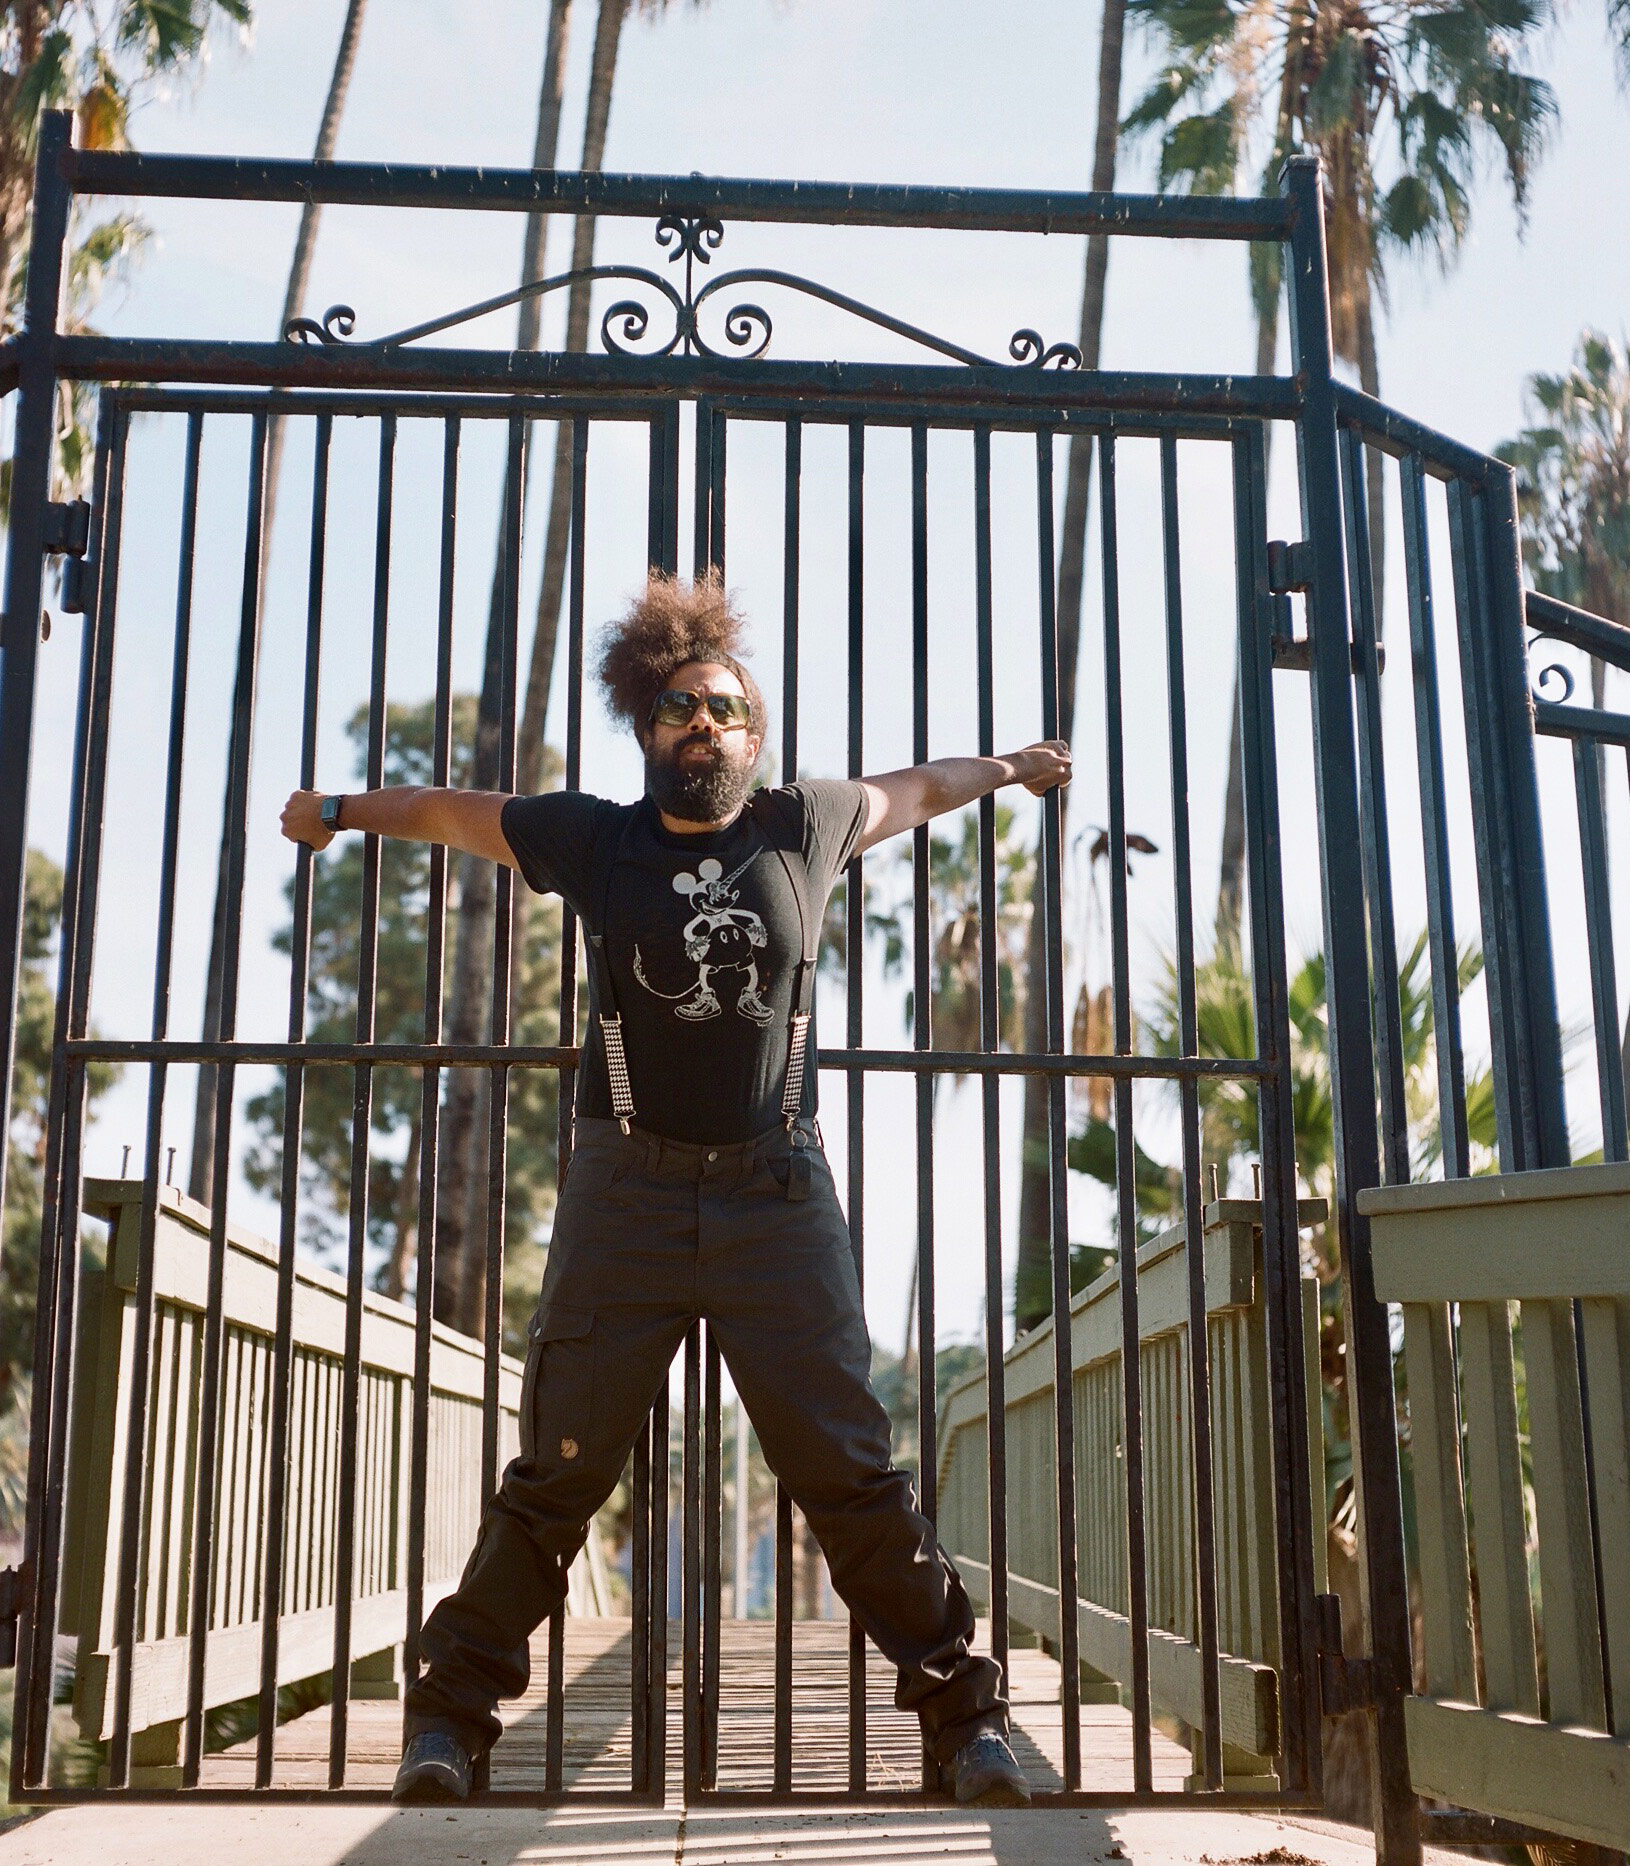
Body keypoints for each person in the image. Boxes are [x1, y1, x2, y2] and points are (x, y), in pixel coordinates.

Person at [280, 574, 1072, 1806]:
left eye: (725, 709)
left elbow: (921, 787)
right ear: (648, 731)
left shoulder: (802, 825)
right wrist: (336, 807)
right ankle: (450, 1720)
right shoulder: (598, 842)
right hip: (627, 1195)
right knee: (559, 1471)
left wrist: (1012, 768)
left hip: (776, 1193)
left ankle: (962, 1723)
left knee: (848, 1471)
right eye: (679, 710)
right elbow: (449, 808)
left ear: (756, 741)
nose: (703, 723)